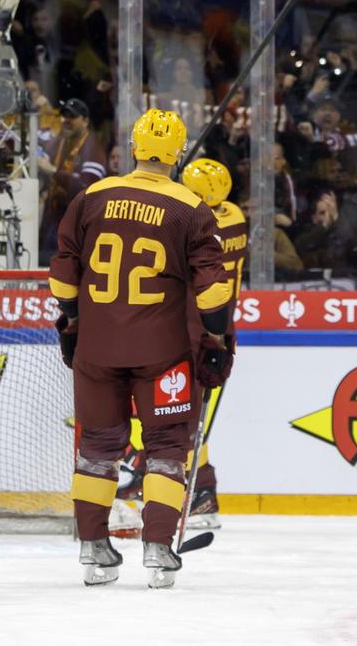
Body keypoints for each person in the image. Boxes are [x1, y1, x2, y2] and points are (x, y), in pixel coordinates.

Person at [51, 109, 230, 589]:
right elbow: (213, 292)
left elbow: (63, 272)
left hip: (97, 346)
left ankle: (93, 547)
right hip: (162, 351)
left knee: (97, 447)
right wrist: (216, 337)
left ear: (133, 146)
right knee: (168, 447)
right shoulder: (190, 207)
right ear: (177, 152)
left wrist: (71, 320)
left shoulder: (92, 197)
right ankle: (157, 548)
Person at [175, 157, 246, 529]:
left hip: (200, 330)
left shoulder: (198, 224)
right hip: (220, 326)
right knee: (188, 419)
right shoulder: (233, 214)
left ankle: (201, 493)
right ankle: (197, 490)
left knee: (184, 419)